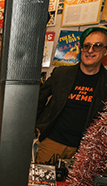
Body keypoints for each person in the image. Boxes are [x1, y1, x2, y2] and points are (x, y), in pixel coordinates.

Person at [35, 26, 107, 163]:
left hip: (85, 151)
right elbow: (38, 99)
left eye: (97, 46)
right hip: (51, 144)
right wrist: (38, 125)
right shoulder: (61, 74)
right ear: (81, 48)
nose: (90, 50)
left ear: (105, 51)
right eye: (87, 46)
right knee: (40, 184)